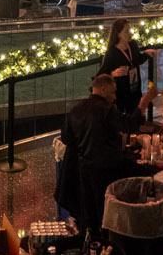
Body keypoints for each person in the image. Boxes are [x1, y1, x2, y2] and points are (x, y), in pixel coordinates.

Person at [55, 73, 145, 230]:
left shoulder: (76, 109)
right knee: (104, 212)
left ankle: (91, 244)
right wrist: (144, 103)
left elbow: (67, 138)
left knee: (89, 212)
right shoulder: (107, 110)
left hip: (83, 170)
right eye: (112, 92)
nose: (115, 97)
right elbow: (129, 125)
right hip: (106, 170)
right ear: (103, 89)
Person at [99, 21, 148, 116]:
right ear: (119, 34)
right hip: (120, 91)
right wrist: (113, 73)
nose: (129, 33)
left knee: (135, 114)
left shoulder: (133, 45)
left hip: (134, 88)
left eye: (129, 30)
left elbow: (136, 60)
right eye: (126, 31)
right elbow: (102, 74)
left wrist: (146, 54)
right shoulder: (112, 52)